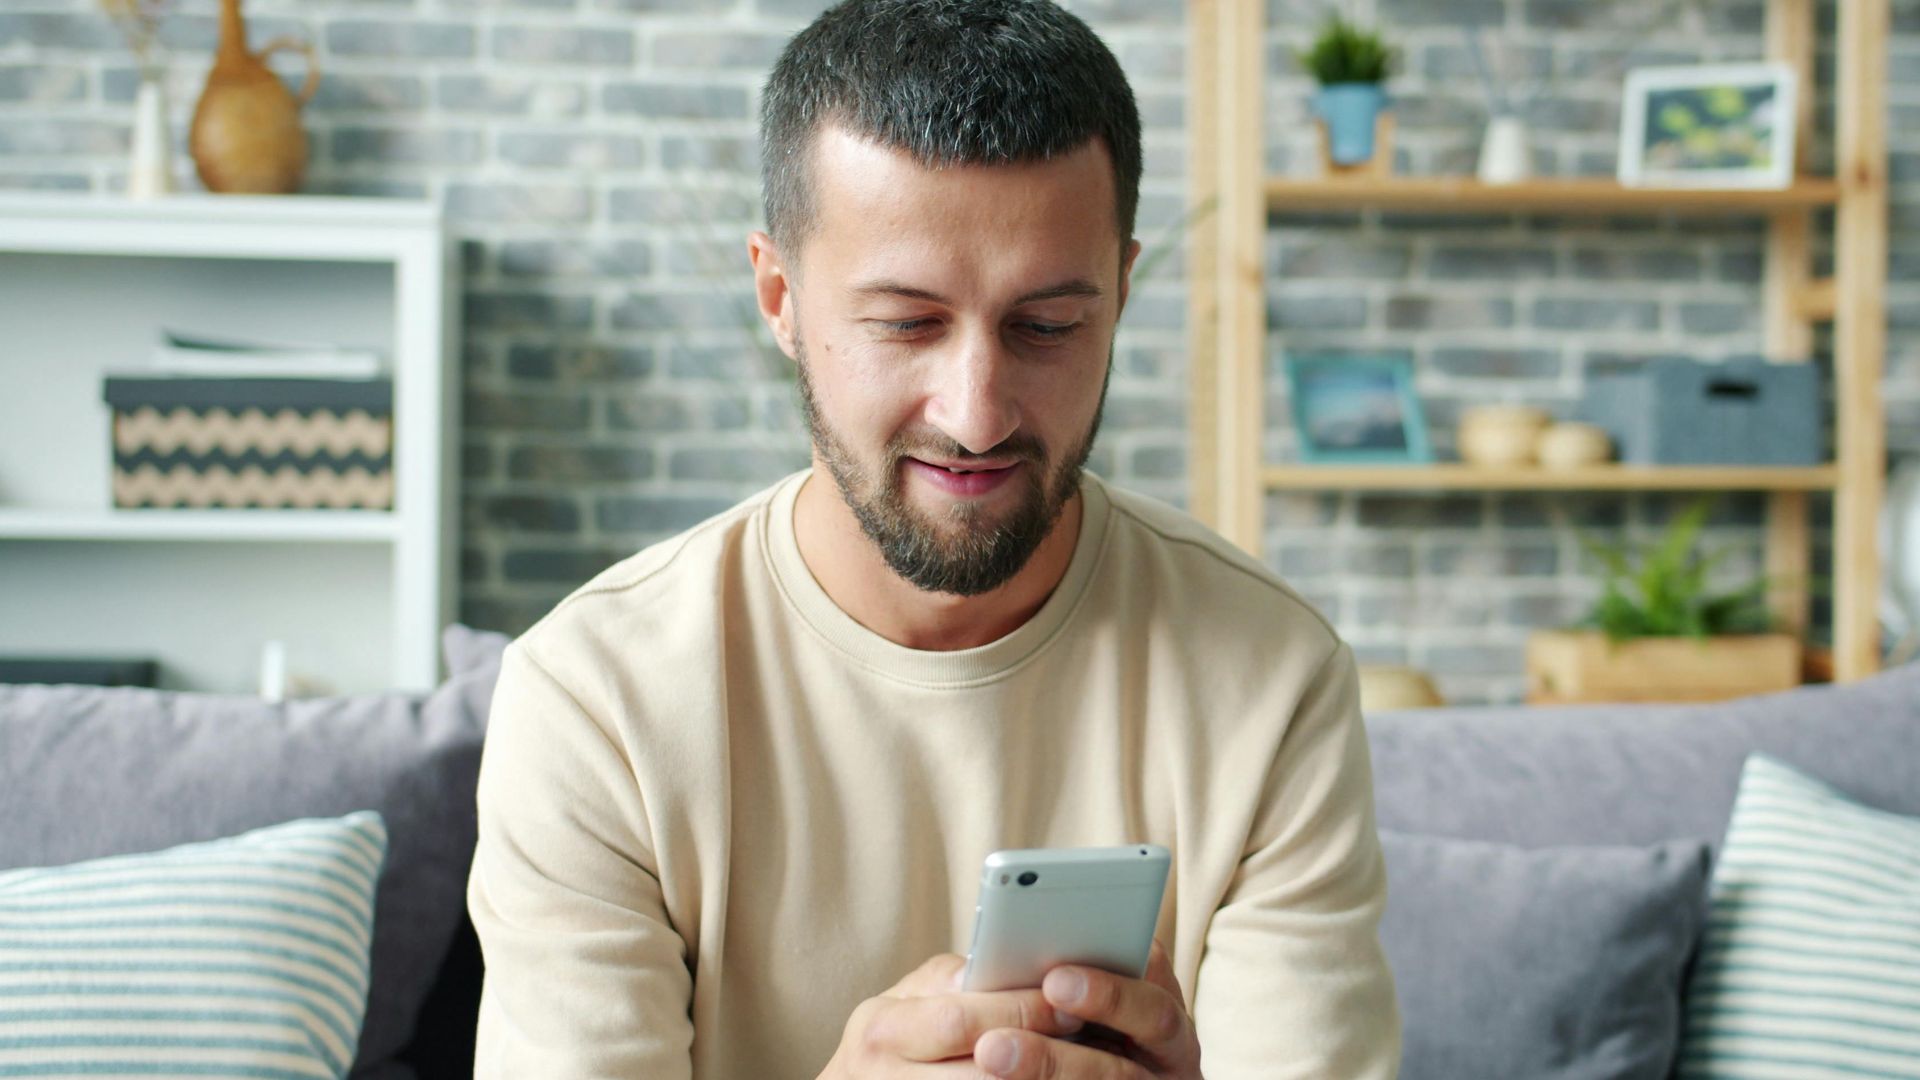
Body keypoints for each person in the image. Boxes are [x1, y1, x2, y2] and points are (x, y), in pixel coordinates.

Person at [467, 1, 1402, 1076]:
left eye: (1046, 326)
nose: (977, 413)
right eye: (907, 322)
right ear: (779, 295)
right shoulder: (596, 699)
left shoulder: (1272, 680)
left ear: (1122, 293)